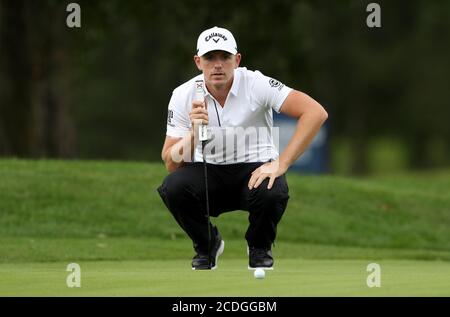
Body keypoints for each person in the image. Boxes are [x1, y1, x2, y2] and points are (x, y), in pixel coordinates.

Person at [157, 26, 328, 270]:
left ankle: (259, 248)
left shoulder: (256, 83)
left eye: (224, 57)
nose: (218, 65)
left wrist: (282, 163)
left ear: (236, 60)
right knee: (173, 187)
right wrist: (194, 134)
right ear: (198, 62)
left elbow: (315, 112)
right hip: (208, 171)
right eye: (210, 58)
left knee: (273, 188)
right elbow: (171, 163)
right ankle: (207, 245)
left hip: (254, 170)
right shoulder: (183, 94)